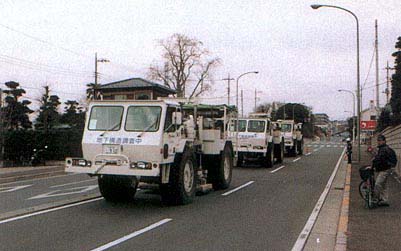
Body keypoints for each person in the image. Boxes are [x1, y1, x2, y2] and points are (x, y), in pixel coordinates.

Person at [371, 135, 398, 207]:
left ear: (384, 141)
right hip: (385, 169)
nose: (378, 142)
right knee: (384, 185)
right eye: (378, 140)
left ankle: (375, 200)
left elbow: (379, 160)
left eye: (380, 140)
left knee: (378, 184)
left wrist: (373, 166)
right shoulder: (382, 149)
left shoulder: (384, 149)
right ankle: (384, 200)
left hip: (384, 169)